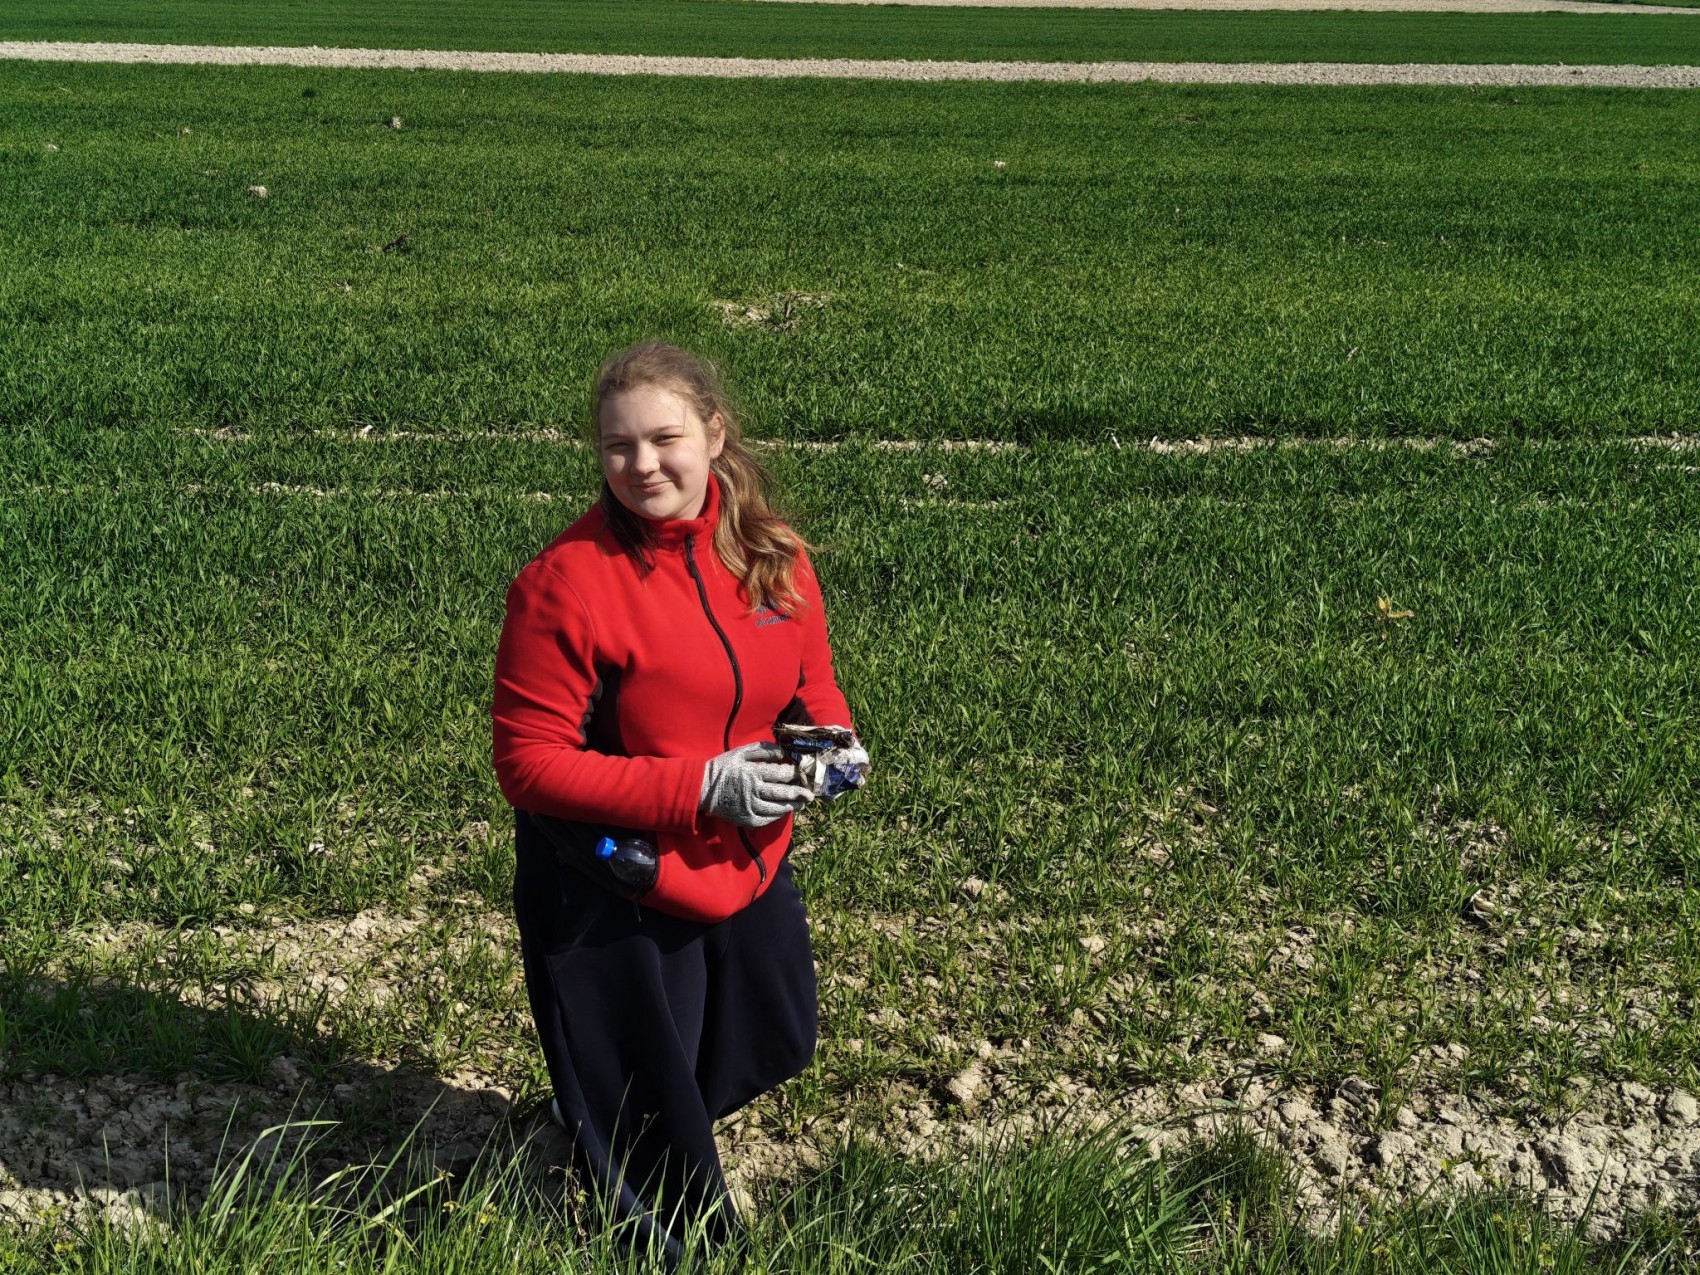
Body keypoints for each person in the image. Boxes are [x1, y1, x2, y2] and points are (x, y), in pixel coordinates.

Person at [490, 339, 864, 1262]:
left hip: (745, 857)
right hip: (614, 879)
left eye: (665, 439)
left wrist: (831, 746)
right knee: (659, 1149)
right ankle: (668, 1235)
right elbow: (528, 765)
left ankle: (599, 1122)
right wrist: (703, 785)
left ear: (714, 434)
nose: (642, 465)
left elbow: (811, 686)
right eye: (618, 446)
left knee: (774, 1034)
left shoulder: (774, 556)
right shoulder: (564, 584)